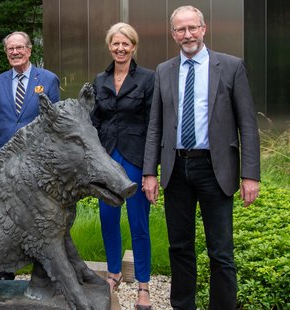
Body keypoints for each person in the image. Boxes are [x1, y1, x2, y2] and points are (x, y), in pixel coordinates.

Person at [142, 5, 260, 309]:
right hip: (176, 169)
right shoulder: (164, 70)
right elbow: (155, 125)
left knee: (220, 250)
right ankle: (183, 306)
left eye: (192, 27)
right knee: (179, 247)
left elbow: (247, 124)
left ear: (204, 29)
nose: (187, 34)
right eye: (180, 29)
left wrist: (250, 175)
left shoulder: (231, 66)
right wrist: (149, 172)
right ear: (173, 34)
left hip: (215, 168)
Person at [91, 22, 154, 309]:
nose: (120, 48)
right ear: (110, 46)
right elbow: (94, 122)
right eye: (115, 43)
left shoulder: (147, 79)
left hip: (135, 158)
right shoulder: (99, 80)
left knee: (139, 223)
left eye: (125, 43)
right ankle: (114, 273)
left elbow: (154, 124)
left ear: (133, 46)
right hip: (107, 158)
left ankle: (143, 284)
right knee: (108, 219)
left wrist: (151, 169)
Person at [0, 31, 60, 166]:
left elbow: (55, 123)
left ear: (29, 50)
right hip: (3, 159)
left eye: (19, 47)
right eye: (10, 49)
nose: (15, 52)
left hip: (38, 158)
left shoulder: (49, 79)